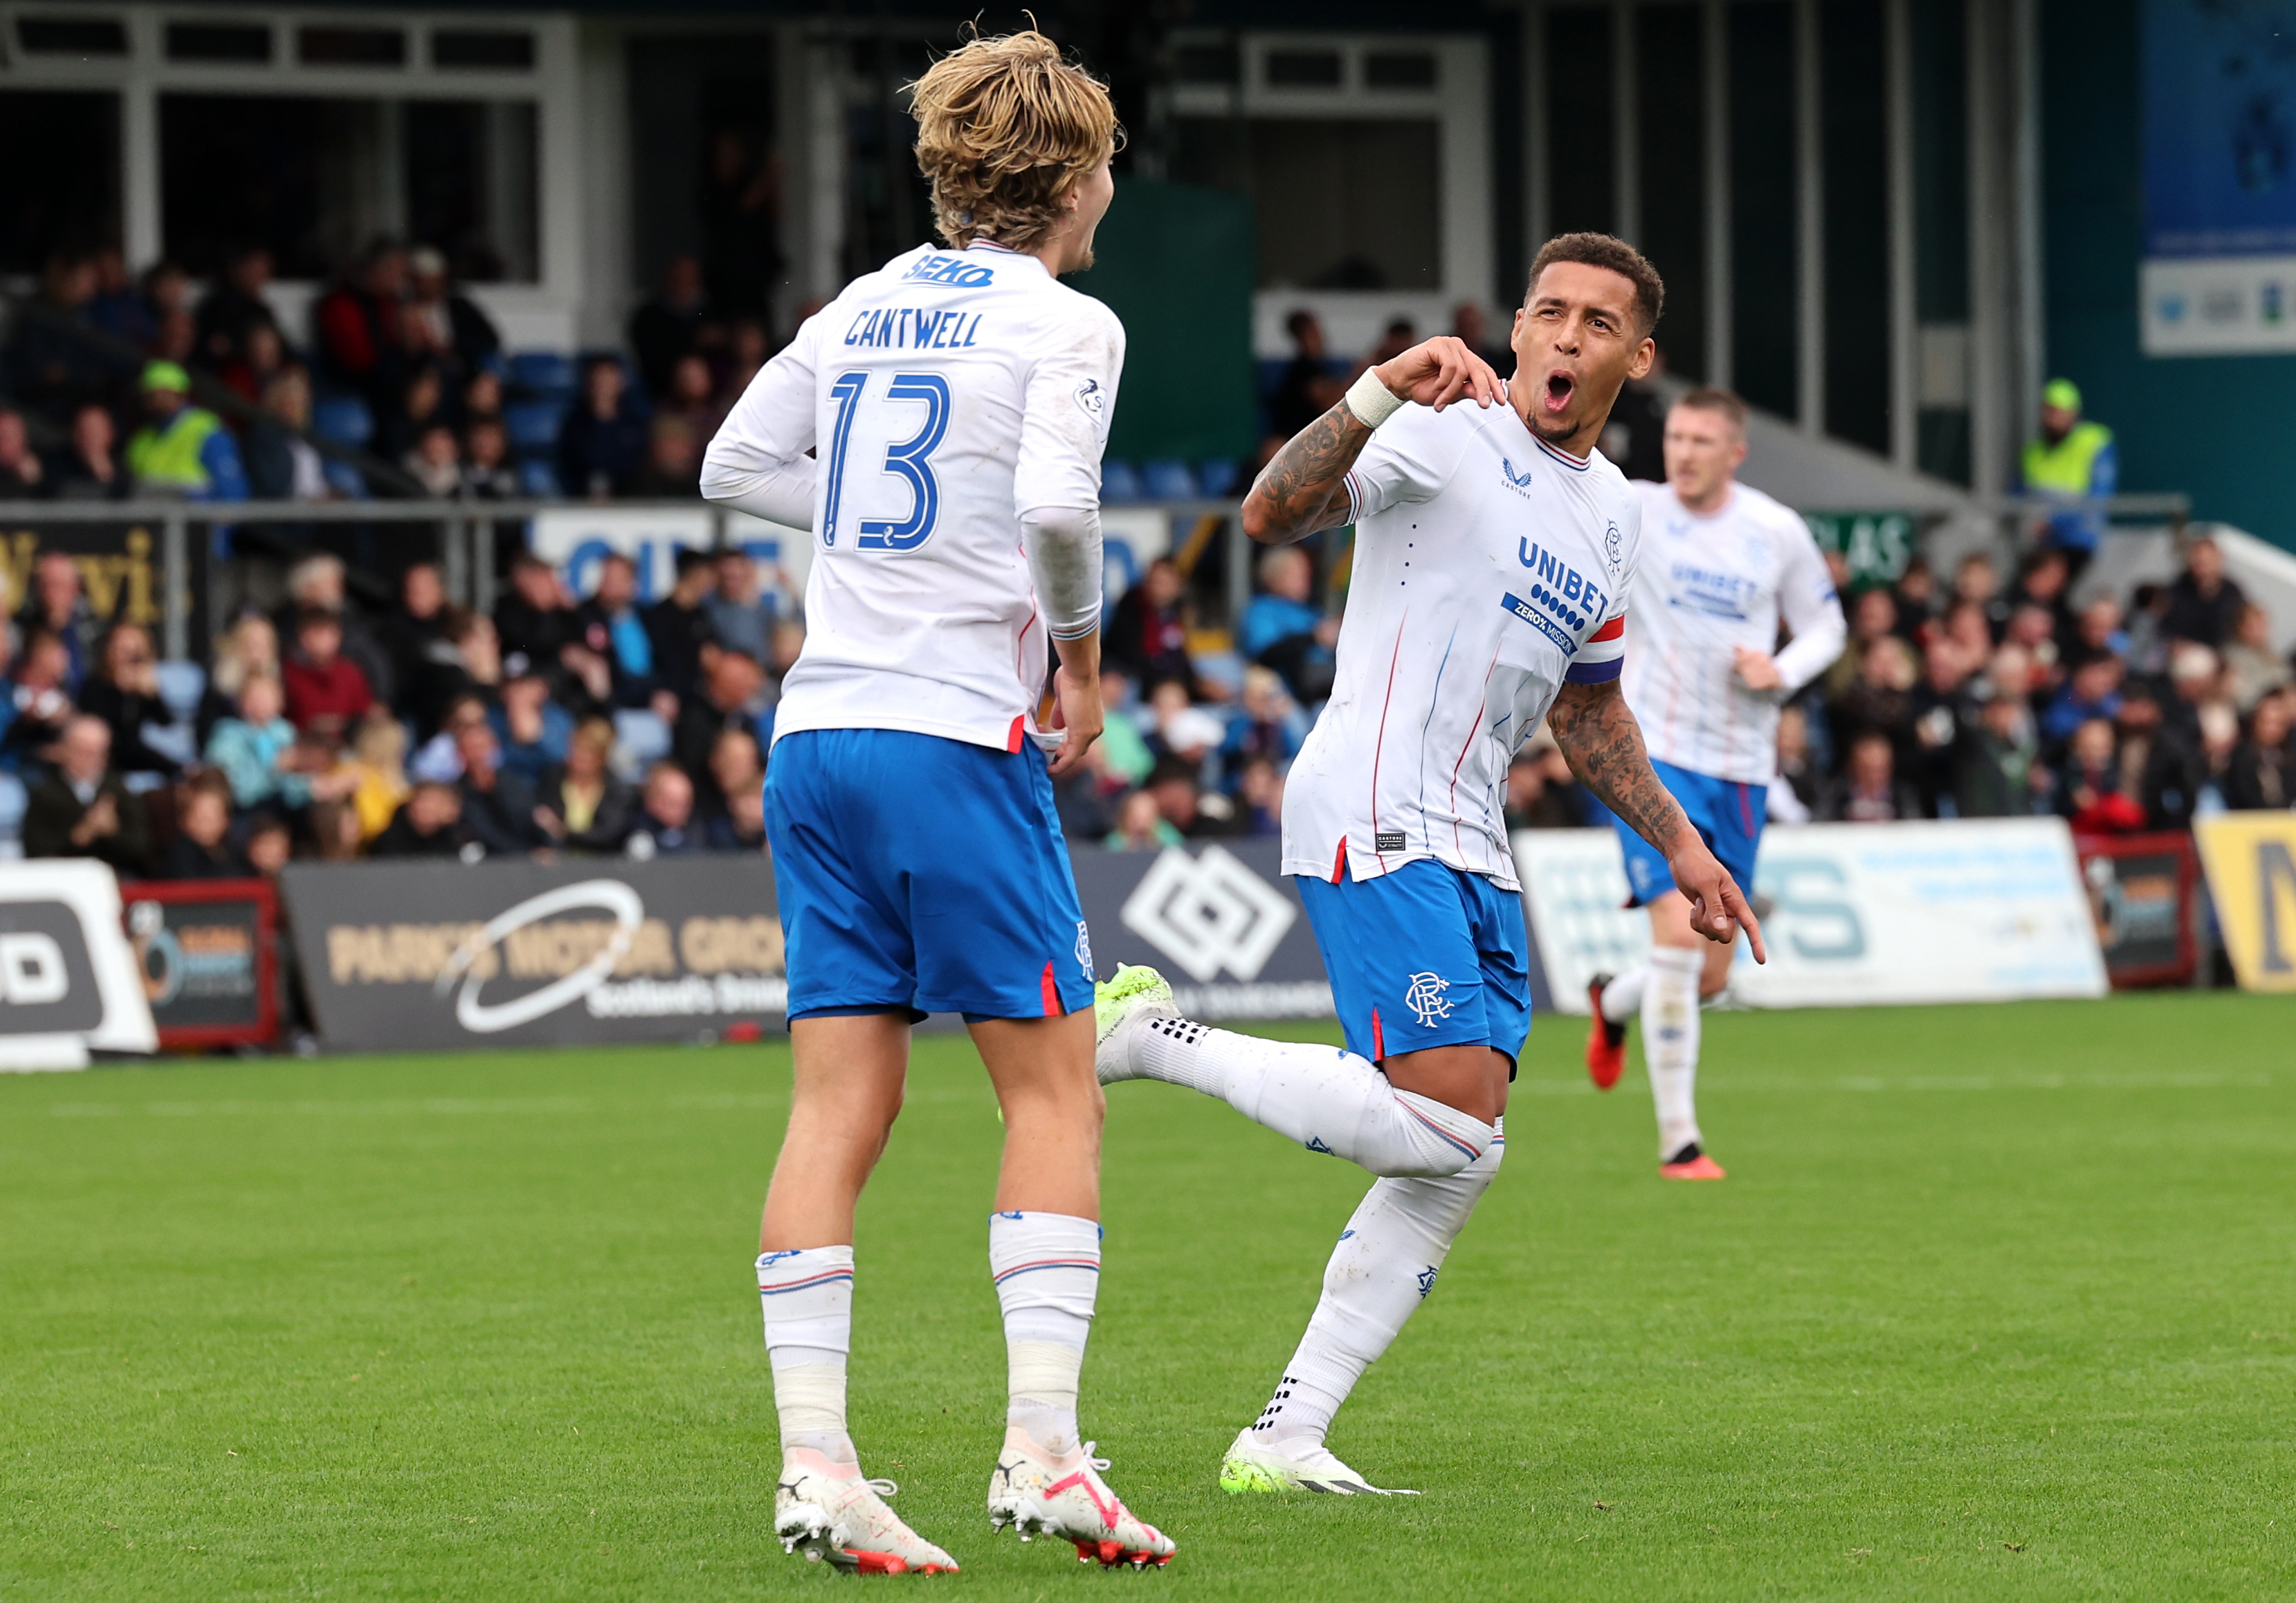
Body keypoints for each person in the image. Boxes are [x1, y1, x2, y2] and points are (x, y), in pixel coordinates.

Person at [1091, 234, 1763, 1495]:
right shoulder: (1440, 428)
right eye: (1548, 312)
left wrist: (1682, 845)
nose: (1566, 338)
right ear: (1516, 327)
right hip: (1370, 796)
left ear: (1637, 354)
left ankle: (1286, 1435)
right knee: (1444, 1114)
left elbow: (1587, 712)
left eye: (1596, 323)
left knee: (1467, 1147)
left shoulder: (1611, 512)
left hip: (1473, 832)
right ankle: (1148, 1040)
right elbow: (1269, 512)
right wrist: (1375, 389)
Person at [698, 28, 1169, 1573]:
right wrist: (1083, 668)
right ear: (1075, 170)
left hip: (817, 735)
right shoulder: (1070, 321)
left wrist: (880, 538)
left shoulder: (862, 302)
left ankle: (817, 1470)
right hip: (954, 738)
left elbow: (732, 463)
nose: (1112, 186)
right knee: (1055, 1092)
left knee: (839, 1105)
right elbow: (1053, 502)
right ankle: (1041, 1453)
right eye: (1107, 161)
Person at [1582, 387, 1843, 1172]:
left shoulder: (1775, 532)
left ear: (1735, 452)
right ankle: (1679, 1143)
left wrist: (1782, 668)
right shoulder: (1634, 509)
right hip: (1653, 759)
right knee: (1673, 936)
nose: (1683, 452)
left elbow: (1828, 625)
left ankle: (1611, 1000)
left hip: (1741, 771)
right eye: (1676, 438)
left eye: (1702, 441)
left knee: (1706, 974)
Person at [23, 715, 151, 873]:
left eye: (95, 752)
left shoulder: (119, 791)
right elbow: (35, 851)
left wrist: (113, 832)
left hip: (115, 878)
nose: (88, 759)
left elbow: (142, 848)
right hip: (62, 882)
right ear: (65, 749)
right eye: (81, 750)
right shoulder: (44, 794)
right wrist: (78, 836)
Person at [2017, 378, 2115, 561]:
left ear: (2073, 413)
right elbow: (2018, 493)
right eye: (2047, 411)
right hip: (2041, 542)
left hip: (2078, 541)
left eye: (2058, 412)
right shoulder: (2033, 451)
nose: (2052, 418)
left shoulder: (2094, 441)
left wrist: (2054, 523)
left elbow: (2099, 499)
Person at [125, 362, 248, 502]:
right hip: (148, 519)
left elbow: (232, 494)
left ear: (177, 394)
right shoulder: (142, 439)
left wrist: (217, 523)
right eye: (146, 396)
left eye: (155, 396)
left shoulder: (206, 430)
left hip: (195, 520)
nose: (149, 403)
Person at [532, 716, 635, 853]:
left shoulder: (617, 789)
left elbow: (607, 835)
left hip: (601, 863)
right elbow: (541, 819)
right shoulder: (554, 777)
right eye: (575, 749)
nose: (577, 757)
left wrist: (563, 832)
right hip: (558, 860)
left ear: (601, 758)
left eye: (586, 754)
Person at [556, 357, 648, 500]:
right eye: (599, 380)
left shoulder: (635, 425)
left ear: (620, 383)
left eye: (609, 379)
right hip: (583, 501)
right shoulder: (575, 425)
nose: (604, 386)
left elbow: (639, 464)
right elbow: (571, 465)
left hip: (629, 502)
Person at [2162, 534, 2248, 651]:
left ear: (2218, 560)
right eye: (2199, 562)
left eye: (2208, 562)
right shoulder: (2178, 589)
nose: (2203, 568)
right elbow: (2169, 628)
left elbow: (2240, 629)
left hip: (2226, 652)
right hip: (2188, 651)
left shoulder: (2233, 592)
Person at [158, 776, 248, 880]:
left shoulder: (238, 855)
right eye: (198, 817)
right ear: (183, 820)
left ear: (226, 819)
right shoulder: (179, 859)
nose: (203, 824)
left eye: (211, 817)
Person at [50, 404, 130, 502]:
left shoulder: (127, 467)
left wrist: (105, 474)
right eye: (84, 430)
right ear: (74, 435)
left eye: (95, 431)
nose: (89, 437)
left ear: (111, 434)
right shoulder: (56, 467)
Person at [0, 407, 47, 499]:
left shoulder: (47, 465)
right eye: (1, 436)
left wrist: (34, 481)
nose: (4, 442)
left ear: (24, 439)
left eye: (9, 437)